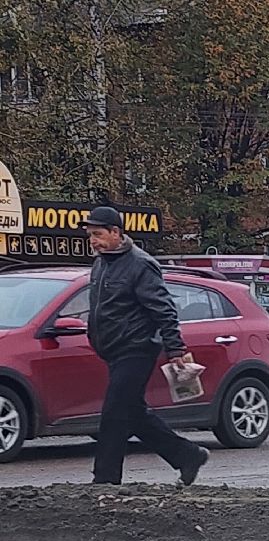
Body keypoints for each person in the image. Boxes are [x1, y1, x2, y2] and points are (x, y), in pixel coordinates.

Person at [82, 206, 209, 486]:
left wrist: (175, 348)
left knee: (114, 413)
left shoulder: (140, 264)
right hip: (114, 350)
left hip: (136, 348)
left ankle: (105, 479)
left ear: (116, 233)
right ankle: (187, 455)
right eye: (91, 235)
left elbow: (163, 309)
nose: (93, 240)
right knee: (133, 413)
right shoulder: (102, 263)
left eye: (98, 234)